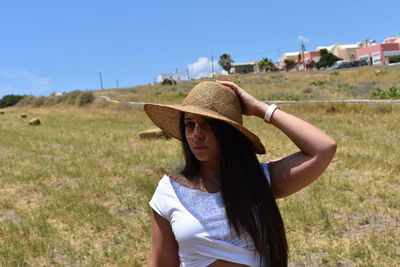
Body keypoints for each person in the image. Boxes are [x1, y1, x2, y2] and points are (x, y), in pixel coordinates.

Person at [144, 81, 336, 267]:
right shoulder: (169, 191)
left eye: (208, 123)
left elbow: (323, 148)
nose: (196, 134)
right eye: (189, 124)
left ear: (229, 131)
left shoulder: (260, 180)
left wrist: (260, 109)